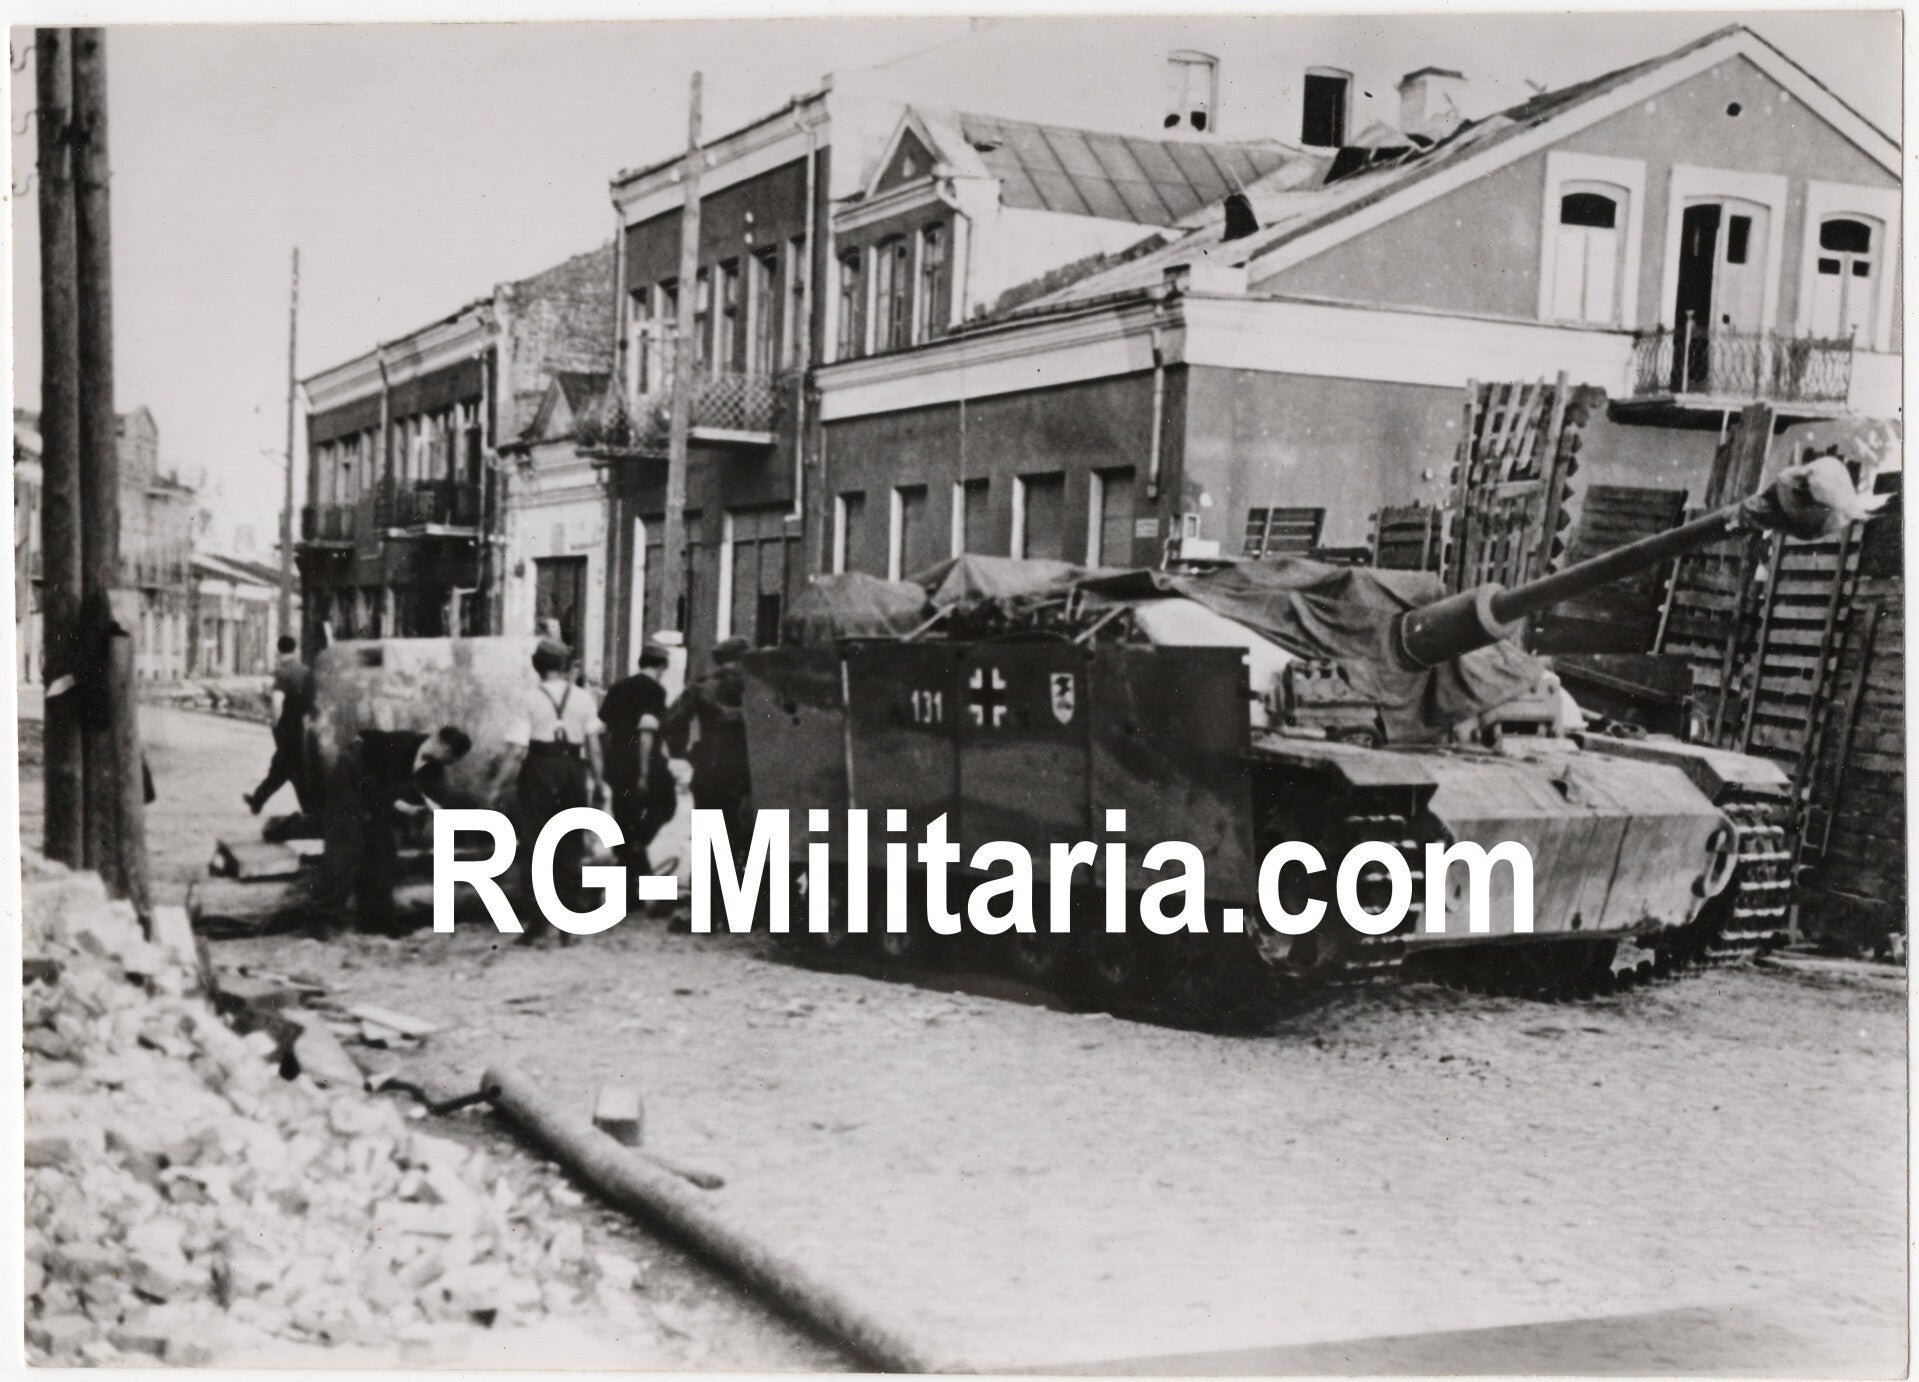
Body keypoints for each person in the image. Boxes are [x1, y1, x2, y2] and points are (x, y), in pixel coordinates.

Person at [489, 639, 606, 945]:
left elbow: (516, 750)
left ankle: (539, 924)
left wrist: (497, 785)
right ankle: (569, 926)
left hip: (539, 770)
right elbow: (593, 746)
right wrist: (599, 782)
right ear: (566, 666)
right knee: (570, 843)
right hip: (573, 771)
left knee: (537, 844)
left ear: (536, 666)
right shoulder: (583, 698)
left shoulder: (528, 699)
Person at [662, 635, 752, 847]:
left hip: (709, 769)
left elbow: (671, 721)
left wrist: (683, 752)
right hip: (750, 773)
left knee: (709, 838)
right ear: (742, 659)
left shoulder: (701, 687)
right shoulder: (756, 688)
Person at [246, 636, 314, 816]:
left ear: (278, 650)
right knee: (285, 766)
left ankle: (310, 810)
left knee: (288, 768)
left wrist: (275, 722)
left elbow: (277, 701)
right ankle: (258, 799)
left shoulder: (281, 672)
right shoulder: (305, 670)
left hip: (287, 726)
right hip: (302, 725)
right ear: (295, 649)